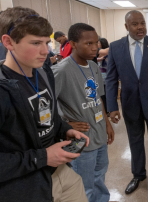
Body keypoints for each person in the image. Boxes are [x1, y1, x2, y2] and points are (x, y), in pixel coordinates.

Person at [0, 7, 89, 202]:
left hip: (60, 173)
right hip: (24, 186)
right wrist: (42, 158)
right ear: (8, 42)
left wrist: (65, 129)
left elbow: (48, 115)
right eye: (35, 43)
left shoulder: (43, 73)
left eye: (47, 42)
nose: (45, 51)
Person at [106, 10, 148, 195]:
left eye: (142, 23)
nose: (140, 27)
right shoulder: (115, 47)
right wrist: (111, 107)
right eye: (135, 24)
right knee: (134, 141)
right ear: (126, 27)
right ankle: (138, 175)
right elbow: (111, 79)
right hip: (130, 105)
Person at [52, 23, 115, 202]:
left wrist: (107, 123)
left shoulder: (93, 66)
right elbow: (46, 106)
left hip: (99, 133)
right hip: (82, 139)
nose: (95, 48)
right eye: (88, 43)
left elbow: (98, 98)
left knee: (100, 176)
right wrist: (64, 125)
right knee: (84, 185)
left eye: (96, 43)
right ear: (73, 43)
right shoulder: (61, 71)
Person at [98, 37, 109, 112]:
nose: (97, 45)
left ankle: (107, 110)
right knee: (101, 94)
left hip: (105, 76)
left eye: (98, 43)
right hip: (99, 76)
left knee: (105, 94)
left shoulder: (107, 54)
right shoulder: (97, 54)